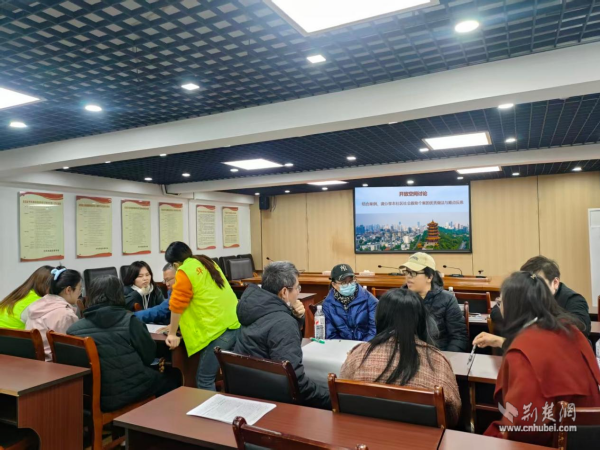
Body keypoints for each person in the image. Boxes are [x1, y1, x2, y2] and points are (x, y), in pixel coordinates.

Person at [484, 271, 600, 446]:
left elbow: (522, 427)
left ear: (512, 307)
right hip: (589, 436)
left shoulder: (524, 349)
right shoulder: (571, 331)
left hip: (551, 441)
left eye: (500, 302)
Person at [340, 288, 461, 426]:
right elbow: (453, 414)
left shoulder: (358, 354)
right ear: (422, 320)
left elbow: (343, 394)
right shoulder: (438, 361)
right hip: (423, 437)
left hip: (364, 432)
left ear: (379, 318)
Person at [67, 275, 180, 412]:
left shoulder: (73, 330)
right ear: (119, 294)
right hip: (124, 393)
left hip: (87, 395)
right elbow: (149, 357)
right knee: (172, 379)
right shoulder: (130, 321)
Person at [234, 261, 331, 410]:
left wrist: (296, 317)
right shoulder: (283, 323)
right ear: (284, 292)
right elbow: (296, 384)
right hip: (274, 401)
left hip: (246, 392)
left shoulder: (252, 308)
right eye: (297, 287)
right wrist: (333, 397)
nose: (298, 292)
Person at [163, 242, 240, 390]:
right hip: (234, 324)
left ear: (175, 264)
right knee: (229, 376)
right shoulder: (205, 261)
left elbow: (177, 305)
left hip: (218, 332)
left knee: (204, 379)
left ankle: (215, 406)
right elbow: (204, 297)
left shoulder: (184, 271)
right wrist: (174, 325)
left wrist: (172, 334)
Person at [475, 255, 591, 349]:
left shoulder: (574, 300)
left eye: (539, 283)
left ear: (555, 283)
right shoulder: (526, 295)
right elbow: (496, 312)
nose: (532, 288)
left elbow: (580, 331)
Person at [400, 252, 468, 352]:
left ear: (429, 277)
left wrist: (445, 358)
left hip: (438, 353)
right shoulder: (398, 298)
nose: (408, 277)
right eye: (406, 272)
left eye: (413, 273)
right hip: (406, 355)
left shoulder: (447, 299)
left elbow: (458, 337)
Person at [25, 267, 81, 361]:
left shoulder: (37, 306)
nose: (80, 293)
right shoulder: (65, 314)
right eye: (79, 288)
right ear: (68, 290)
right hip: (53, 364)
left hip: (34, 362)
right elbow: (71, 349)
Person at [322, 264, 378, 341]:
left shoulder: (369, 299)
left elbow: (374, 330)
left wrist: (362, 346)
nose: (348, 285)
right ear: (334, 285)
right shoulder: (328, 304)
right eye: (343, 282)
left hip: (366, 344)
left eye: (351, 281)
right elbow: (330, 334)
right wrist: (343, 345)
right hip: (340, 345)